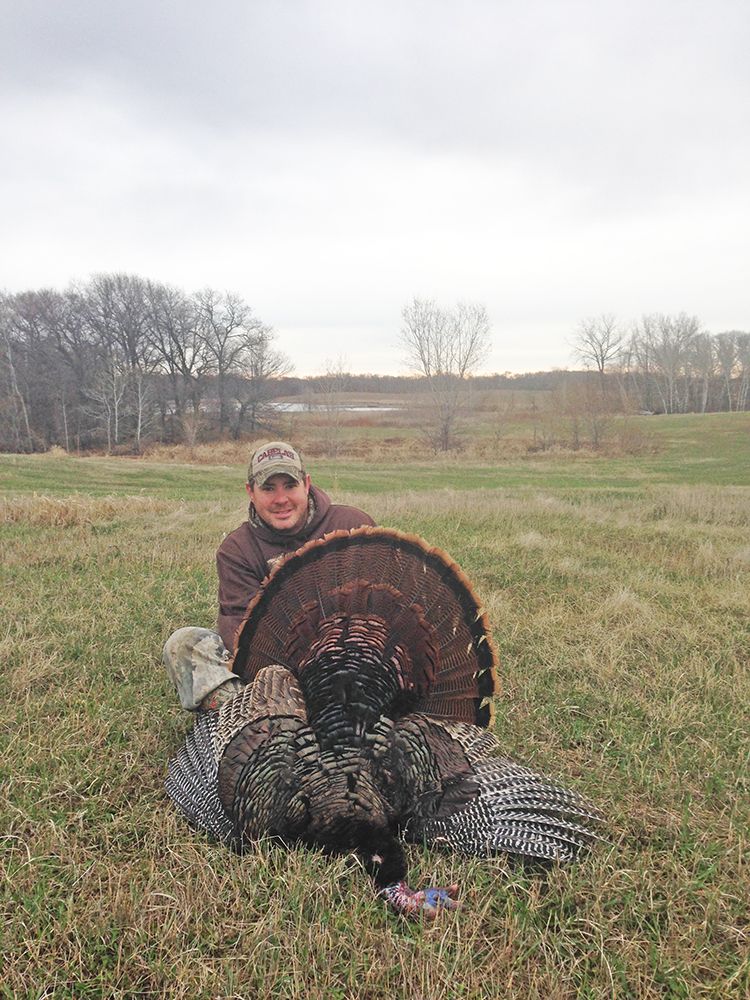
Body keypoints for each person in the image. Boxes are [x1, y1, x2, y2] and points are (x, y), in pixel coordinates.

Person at [163, 440, 375, 711]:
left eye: (290, 485)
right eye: (268, 488)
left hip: (356, 667)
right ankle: (258, 718)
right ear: (250, 492)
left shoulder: (351, 526)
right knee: (184, 644)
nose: (281, 499)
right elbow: (239, 636)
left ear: (307, 484)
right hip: (277, 677)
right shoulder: (238, 549)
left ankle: (264, 722)